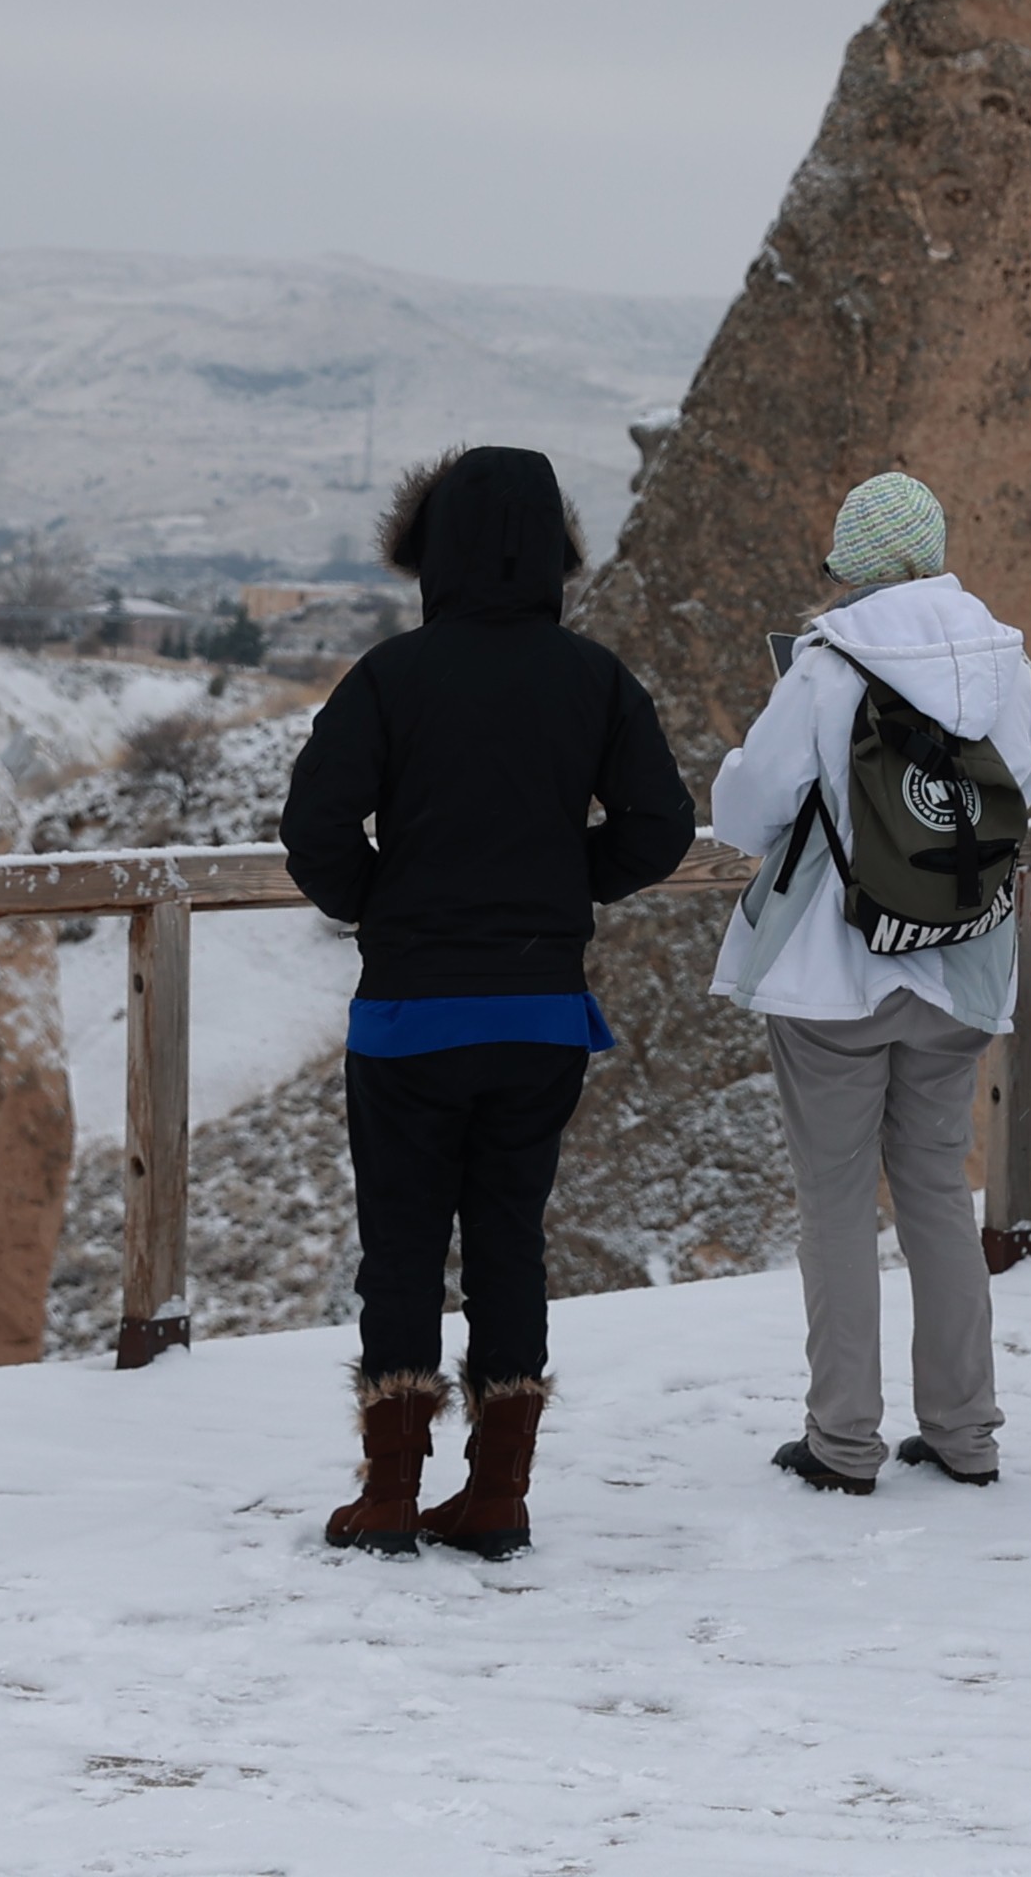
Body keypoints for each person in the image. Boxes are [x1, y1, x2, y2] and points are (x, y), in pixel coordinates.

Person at [281, 445, 695, 1558]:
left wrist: (388, 905)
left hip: (412, 1012)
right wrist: (566, 886)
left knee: (403, 1247)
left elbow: (315, 831)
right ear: (555, 556)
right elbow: (659, 829)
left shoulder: (390, 678)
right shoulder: (596, 679)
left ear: (431, 555)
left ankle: (387, 1496)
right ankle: (500, 1495)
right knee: (511, 1240)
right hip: (541, 1012)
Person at [709, 472, 1031, 1500]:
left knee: (837, 1205)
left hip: (833, 974)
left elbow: (749, 811)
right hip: (958, 962)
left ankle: (843, 1440)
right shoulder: (1003, 655)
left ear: (853, 564)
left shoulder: (825, 664)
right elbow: (1018, 794)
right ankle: (965, 1431)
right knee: (940, 1194)